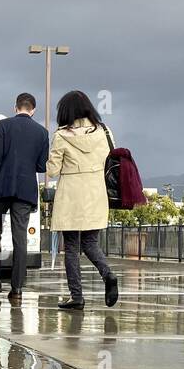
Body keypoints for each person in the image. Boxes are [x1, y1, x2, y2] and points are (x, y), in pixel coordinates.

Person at [46, 89, 119, 311]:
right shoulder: (104, 131)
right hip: (96, 194)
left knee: (71, 247)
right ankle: (108, 274)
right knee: (90, 243)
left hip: (71, 196)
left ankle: (76, 296)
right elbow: (112, 159)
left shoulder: (61, 136)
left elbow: (52, 170)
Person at [0, 92, 49, 303]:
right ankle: (17, 287)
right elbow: (41, 165)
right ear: (33, 109)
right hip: (25, 192)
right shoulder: (42, 133)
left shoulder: (3, 126)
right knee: (20, 239)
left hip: (0, 190)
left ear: (15, 107)